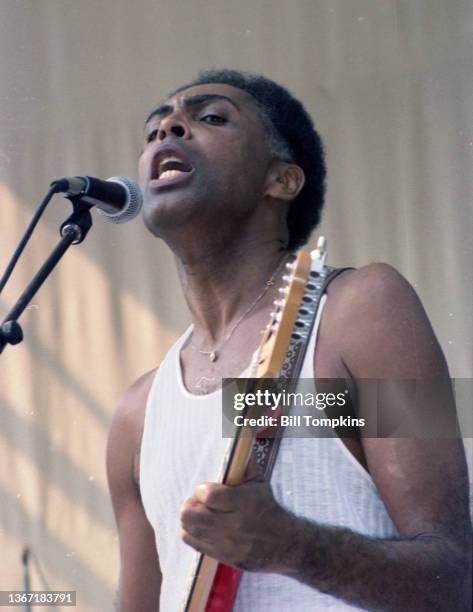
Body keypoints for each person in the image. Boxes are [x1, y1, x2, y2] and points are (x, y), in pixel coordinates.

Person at [106, 70, 472, 611]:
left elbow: (455, 580)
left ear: (281, 180)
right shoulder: (137, 416)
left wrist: (296, 548)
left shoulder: (361, 311)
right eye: (154, 129)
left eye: (209, 118)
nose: (168, 130)